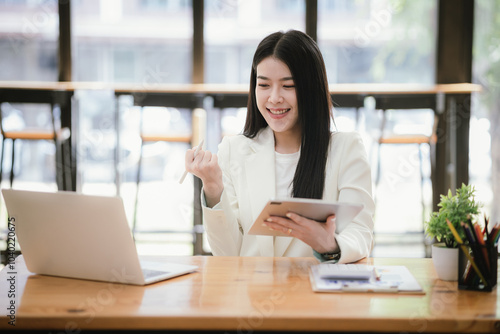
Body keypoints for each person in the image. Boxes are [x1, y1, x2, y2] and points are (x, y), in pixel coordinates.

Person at [185, 30, 374, 263]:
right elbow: (228, 254)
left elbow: (361, 233)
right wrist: (213, 187)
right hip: (252, 295)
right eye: (264, 85)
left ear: (311, 88)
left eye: (289, 86)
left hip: (314, 292)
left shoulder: (346, 149)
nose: (274, 98)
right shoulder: (233, 150)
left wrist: (329, 244)